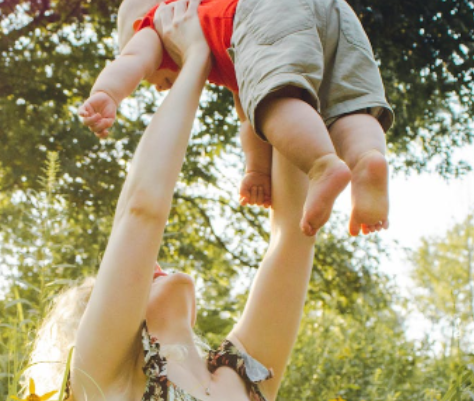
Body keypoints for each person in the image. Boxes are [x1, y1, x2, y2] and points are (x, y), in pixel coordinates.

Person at [25, 1, 316, 400]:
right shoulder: (100, 383)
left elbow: (294, 235)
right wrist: (196, 56)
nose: (152, 262)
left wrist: (277, 62)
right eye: (119, 286)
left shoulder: (238, 375)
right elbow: (141, 211)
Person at [79, 0, 394, 236]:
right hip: (335, 12)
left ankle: (322, 165)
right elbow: (249, 118)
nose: (162, 87)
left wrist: (107, 93)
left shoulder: (156, 24)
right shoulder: (232, 42)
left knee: (276, 103)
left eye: (156, 81)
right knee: (348, 104)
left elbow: (133, 59)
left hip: (269, 11)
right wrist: (257, 171)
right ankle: (367, 159)